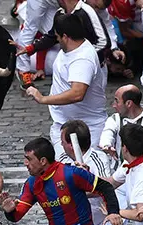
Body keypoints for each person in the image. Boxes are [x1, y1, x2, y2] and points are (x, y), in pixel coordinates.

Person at [26, 11, 106, 162]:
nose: (56, 40)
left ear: (65, 36)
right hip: (63, 126)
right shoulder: (69, 49)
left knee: (85, 175)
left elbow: (77, 93)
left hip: (85, 131)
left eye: (57, 36)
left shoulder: (82, 59)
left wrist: (43, 99)